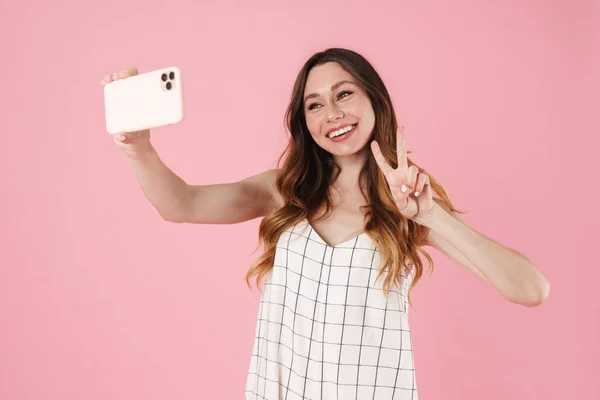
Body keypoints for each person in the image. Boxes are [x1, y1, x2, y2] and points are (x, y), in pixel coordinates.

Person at [101, 48, 550, 399]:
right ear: (305, 123)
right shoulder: (284, 190)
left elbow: (530, 290)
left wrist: (430, 216)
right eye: (314, 105)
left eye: (344, 94)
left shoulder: (410, 199)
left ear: (375, 98)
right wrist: (137, 149)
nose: (331, 113)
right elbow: (181, 204)